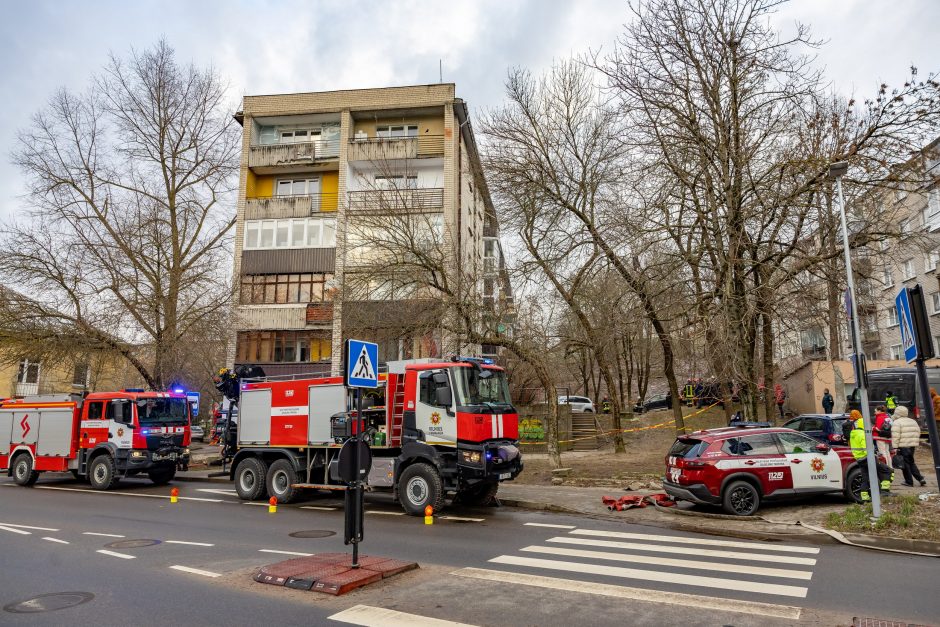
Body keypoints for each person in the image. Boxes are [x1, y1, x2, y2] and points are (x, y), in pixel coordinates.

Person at [891, 405, 927, 487]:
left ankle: (909, 481)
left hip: (903, 446)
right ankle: (920, 478)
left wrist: (895, 447)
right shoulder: (912, 421)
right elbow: (918, 431)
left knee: (904, 464)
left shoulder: (897, 422)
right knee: (911, 462)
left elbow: (896, 436)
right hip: (912, 445)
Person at [848, 410, 872, 502]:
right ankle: (883, 491)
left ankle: (864, 496)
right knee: (884, 470)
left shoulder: (852, 429)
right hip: (865, 457)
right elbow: (865, 446)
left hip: (858, 456)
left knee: (865, 476)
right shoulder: (861, 432)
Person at [872, 405, 893, 470]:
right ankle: (890, 466)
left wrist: (872, 428)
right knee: (887, 452)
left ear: (879, 411)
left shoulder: (879, 417)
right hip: (887, 436)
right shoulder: (887, 417)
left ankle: (885, 467)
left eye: (875, 411)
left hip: (880, 437)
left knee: (882, 452)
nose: (874, 412)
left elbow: (878, 428)